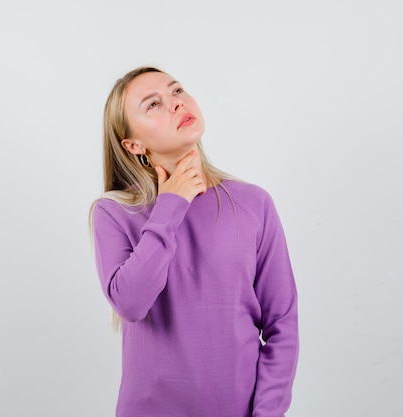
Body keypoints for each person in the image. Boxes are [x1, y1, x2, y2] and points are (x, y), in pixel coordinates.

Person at [90, 66, 299, 417]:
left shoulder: (253, 204)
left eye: (177, 91)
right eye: (153, 105)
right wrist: (171, 204)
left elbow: (282, 324)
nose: (175, 103)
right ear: (132, 144)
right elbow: (130, 302)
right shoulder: (113, 213)